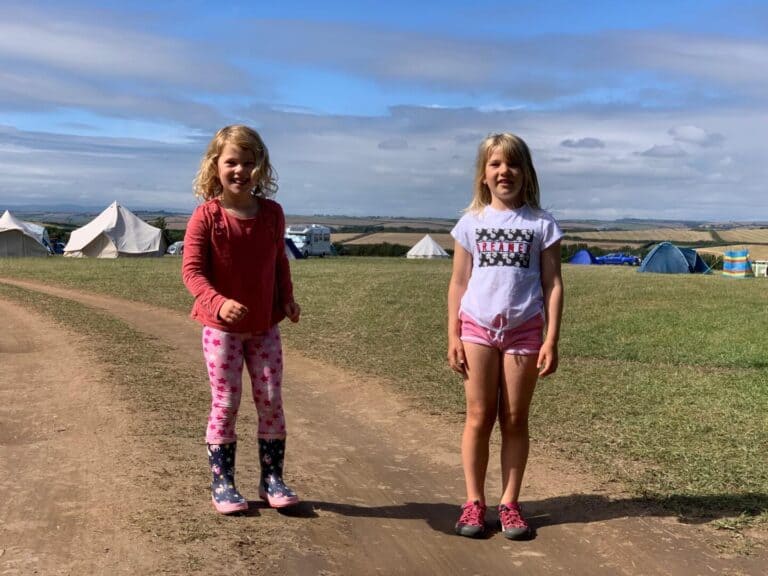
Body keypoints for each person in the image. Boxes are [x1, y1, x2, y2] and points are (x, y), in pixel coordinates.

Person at [447, 132, 564, 539]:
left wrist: (551, 339)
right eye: (495, 164)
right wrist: (453, 335)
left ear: (526, 172)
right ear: (483, 174)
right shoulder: (471, 223)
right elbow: (458, 283)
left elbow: (553, 285)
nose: (504, 172)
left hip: (525, 331)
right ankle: (474, 502)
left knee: (514, 419)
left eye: (513, 164)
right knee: (479, 417)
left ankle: (510, 504)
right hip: (477, 329)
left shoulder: (541, 224)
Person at [182, 125, 301, 514]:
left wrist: (287, 299)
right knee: (227, 401)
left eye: (249, 163)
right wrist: (217, 303)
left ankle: (272, 479)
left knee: (270, 398)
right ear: (215, 165)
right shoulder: (207, 217)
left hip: (265, 325)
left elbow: (278, 261)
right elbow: (192, 271)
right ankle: (224, 483)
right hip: (221, 329)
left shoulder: (271, 214)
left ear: (260, 167)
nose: (240, 170)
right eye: (232, 161)